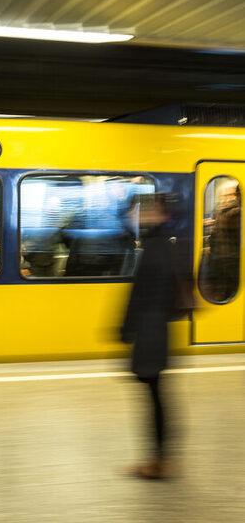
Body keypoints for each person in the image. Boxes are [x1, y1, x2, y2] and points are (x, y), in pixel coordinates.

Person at [121, 193, 179, 479]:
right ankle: (160, 459)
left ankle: (160, 462)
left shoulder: (156, 247)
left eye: (142, 211)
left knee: (155, 397)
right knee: (156, 395)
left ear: (156, 213)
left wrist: (127, 328)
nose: (137, 216)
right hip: (156, 330)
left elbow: (141, 294)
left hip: (151, 332)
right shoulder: (162, 244)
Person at [207, 184, 240, 301]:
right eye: (225, 195)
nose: (228, 198)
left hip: (224, 260)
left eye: (231, 195)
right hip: (231, 260)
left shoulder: (224, 212)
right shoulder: (232, 212)